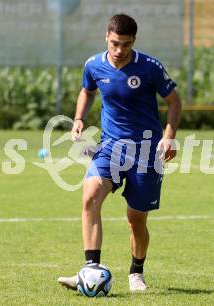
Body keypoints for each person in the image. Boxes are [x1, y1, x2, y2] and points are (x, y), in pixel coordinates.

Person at [58, 14, 181, 292]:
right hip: (110, 147)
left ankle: (136, 273)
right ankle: (90, 270)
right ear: (106, 38)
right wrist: (79, 118)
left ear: (133, 42)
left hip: (147, 151)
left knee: (135, 220)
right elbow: (87, 91)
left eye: (125, 44)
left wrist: (169, 137)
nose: (119, 50)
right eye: (114, 43)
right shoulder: (93, 65)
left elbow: (174, 102)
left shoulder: (150, 67)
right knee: (90, 197)